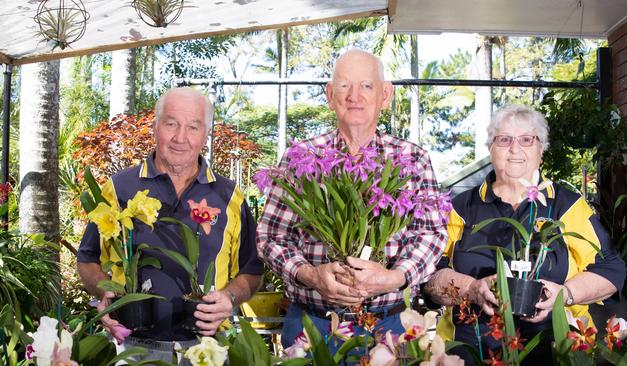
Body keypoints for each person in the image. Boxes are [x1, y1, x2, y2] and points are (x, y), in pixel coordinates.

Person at [256, 49, 448, 350]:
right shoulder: (302, 157)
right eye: (344, 86)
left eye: (366, 86)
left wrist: (395, 277)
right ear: (330, 95)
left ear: (385, 95)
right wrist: (310, 275)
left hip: (389, 323)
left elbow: (432, 234)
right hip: (313, 323)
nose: (354, 96)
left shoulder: (412, 159)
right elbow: (271, 236)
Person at [425, 105, 624, 365]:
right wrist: (473, 289)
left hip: (557, 347)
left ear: (541, 150)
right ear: (490, 148)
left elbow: (610, 270)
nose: (515, 149)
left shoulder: (566, 205)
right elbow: (431, 278)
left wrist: (565, 293)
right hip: (469, 349)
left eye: (527, 139)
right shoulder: (460, 208)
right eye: (504, 139)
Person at [77, 87, 263, 362]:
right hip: (132, 346)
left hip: (207, 347)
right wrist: (106, 289)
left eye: (193, 127)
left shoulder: (229, 196)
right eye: (171, 124)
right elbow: (87, 258)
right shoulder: (118, 188)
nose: (180, 138)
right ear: (155, 127)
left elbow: (252, 271)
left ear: (205, 134)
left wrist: (231, 298)